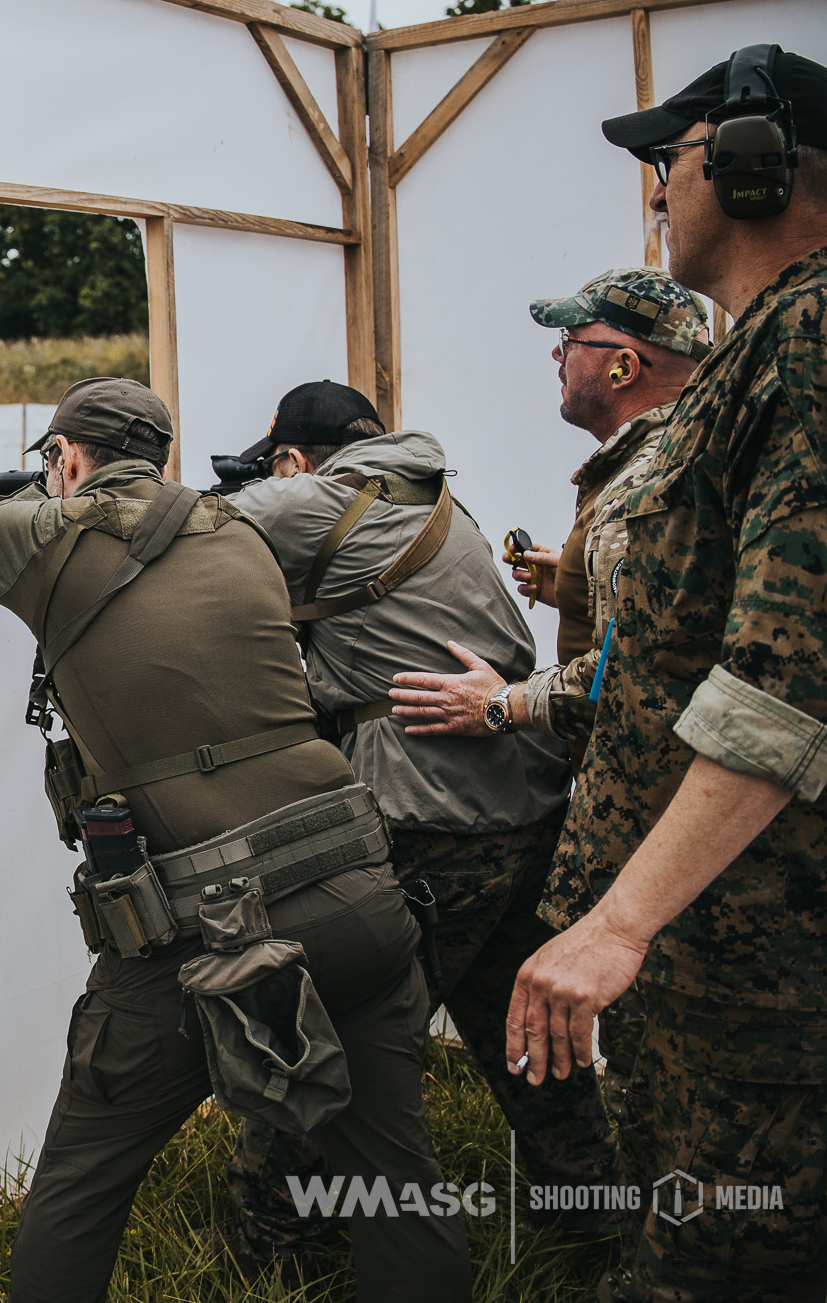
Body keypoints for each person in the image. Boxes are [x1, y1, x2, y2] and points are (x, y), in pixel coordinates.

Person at [0, 377, 469, 1303]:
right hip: (356, 886)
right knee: (394, 1176)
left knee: (83, 1177)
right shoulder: (239, 531)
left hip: (201, 922)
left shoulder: (43, 532)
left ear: (67, 458)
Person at [503, 45, 827, 1302]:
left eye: (669, 160)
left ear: (750, 168)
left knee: (717, 1264)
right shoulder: (761, 350)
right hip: (721, 949)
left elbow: (789, 676)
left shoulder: (807, 340)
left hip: (760, 958)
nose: (656, 190)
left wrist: (618, 922)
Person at [217, 381, 613, 1272]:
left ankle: (282, 1255)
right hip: (520, 809)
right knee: (522, 1033)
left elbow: (180, 537)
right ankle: (601, 1216)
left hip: (434, 824)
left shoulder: (310, 497)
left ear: (291, 459)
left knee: (334, 1039)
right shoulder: (429, 493)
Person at [388, 269, 709, 1204]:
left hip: (661, 820)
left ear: (622, 364)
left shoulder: (647, 483)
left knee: (664, 1064)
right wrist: (574, 577)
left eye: (569, 341)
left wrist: (503, 704)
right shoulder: (668, 463)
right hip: (668, 815)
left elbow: (641, 669)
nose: (556, 358)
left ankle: (677, 1240)